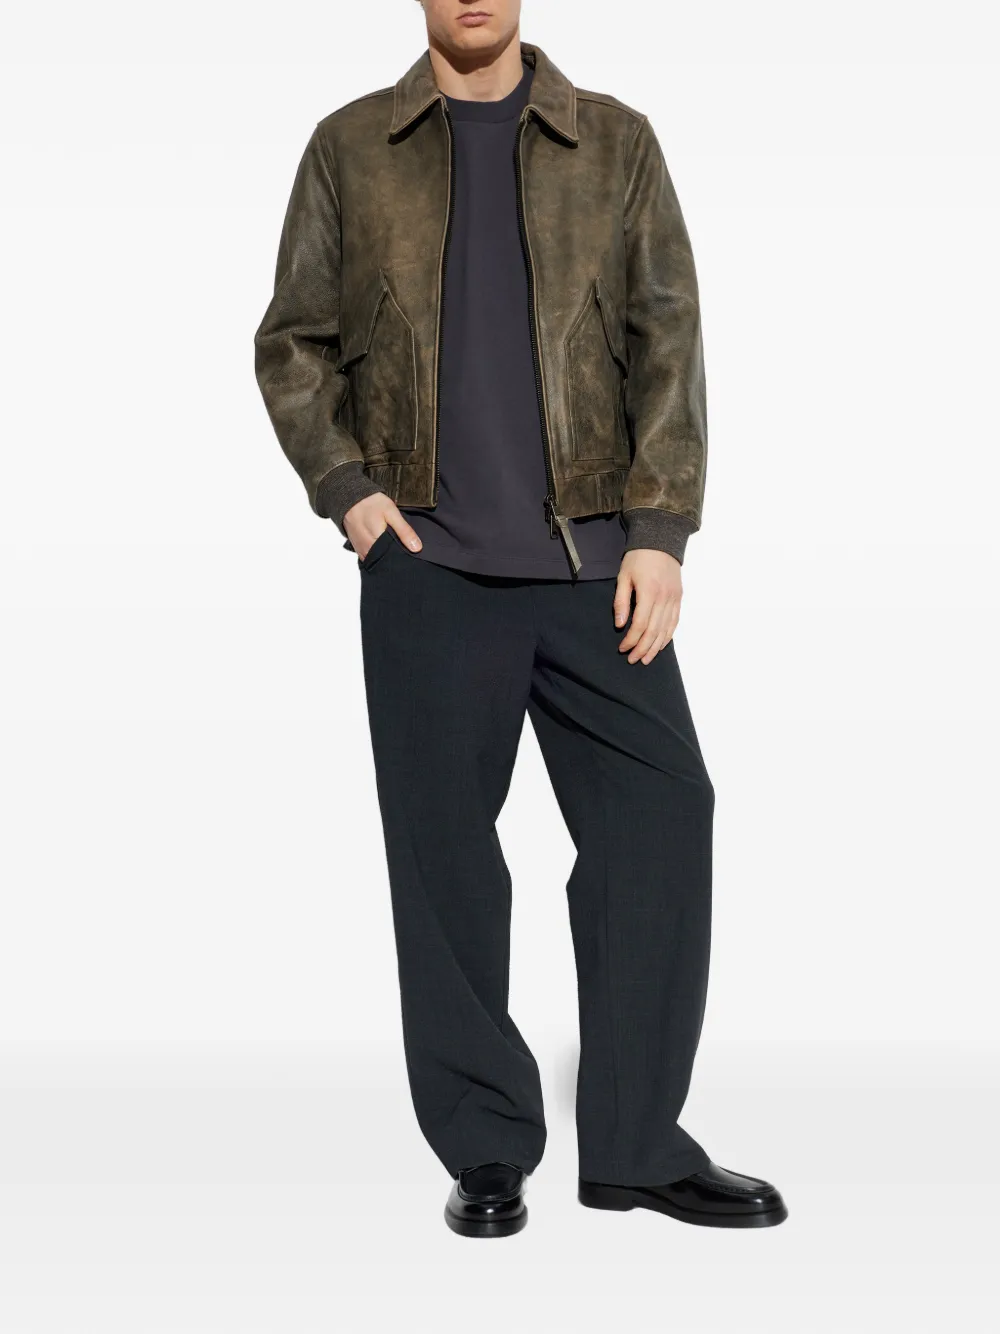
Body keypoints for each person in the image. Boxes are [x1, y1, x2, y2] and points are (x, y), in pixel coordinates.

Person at [254, 0, 787, 1237]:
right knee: (444, 858)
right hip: (427, 565)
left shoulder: (614, 140)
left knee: (662, 816)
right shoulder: (350, 146)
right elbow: (292, 343)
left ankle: (637, 1144)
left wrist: (658, 528)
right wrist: (350, 491)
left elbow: (668, 339)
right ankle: (486, 1145)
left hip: (592, 561)